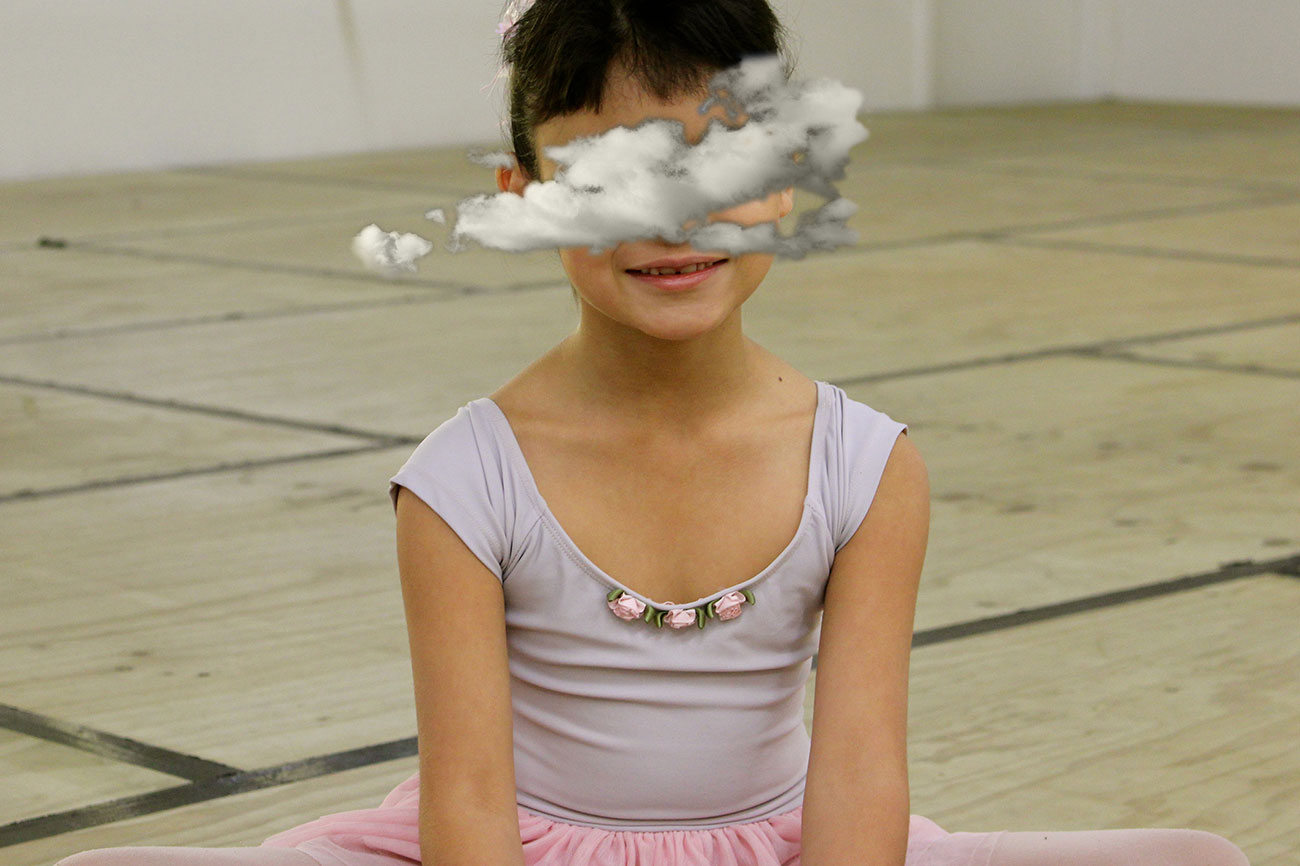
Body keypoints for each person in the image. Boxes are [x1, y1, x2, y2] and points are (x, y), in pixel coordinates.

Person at [56, 1, 1253, 864]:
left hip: (787, 843)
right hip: (514, 847)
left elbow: (857, 774)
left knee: (1197, 857)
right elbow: (466, 797)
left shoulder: (865, 464)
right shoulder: (464, 479)